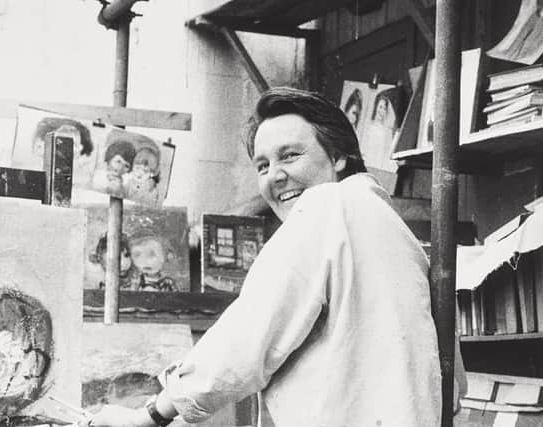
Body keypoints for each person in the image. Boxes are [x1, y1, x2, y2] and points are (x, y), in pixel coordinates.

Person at [83, 87, 451, 427]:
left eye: (290, 155)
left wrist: (148, 415)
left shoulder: (326, 205)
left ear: (339, 156)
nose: (275, 176)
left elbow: (246, 339)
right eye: (262, 165)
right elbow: (451, 379)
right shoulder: (394, 229)